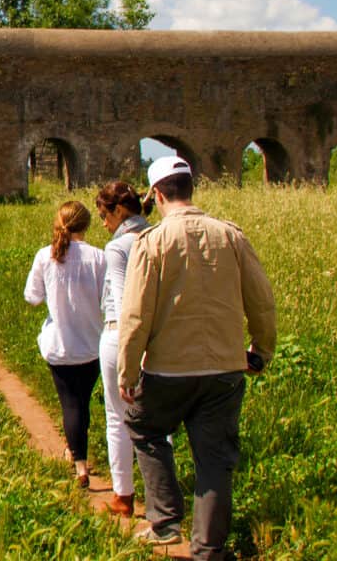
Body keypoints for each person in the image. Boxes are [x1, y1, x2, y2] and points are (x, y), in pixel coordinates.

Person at [117, 156, 277, 559]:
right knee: (215, 458)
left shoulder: (151, 242)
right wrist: (260, 350)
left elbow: (136, 315)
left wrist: (128, 371)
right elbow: (261, 301)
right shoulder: (231, 236)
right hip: (225, 368)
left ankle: (166, 521)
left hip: (169, 368)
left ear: (155, 193)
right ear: (191, 189)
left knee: (144, 427)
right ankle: (209, 549)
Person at [25, 201, 107, 487]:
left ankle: (80, 465)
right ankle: (76, 451)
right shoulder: (99, 257)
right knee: (81, 403)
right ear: (86, 225)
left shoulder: (45, 256)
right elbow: (107, 299)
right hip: (93, 344)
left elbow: (32, 297)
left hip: (59, 344)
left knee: (70, 404)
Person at [94, 181, 153, 518]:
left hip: (121, 336)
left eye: (105, 215)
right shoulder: (157, 236)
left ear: (119, 211)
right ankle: (163, 497)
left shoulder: (117, 248)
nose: (103, 223)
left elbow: (124, 299)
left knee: (118, 418)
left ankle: (123, 497)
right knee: (158, 419)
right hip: (156, 338)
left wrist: (131, 356)